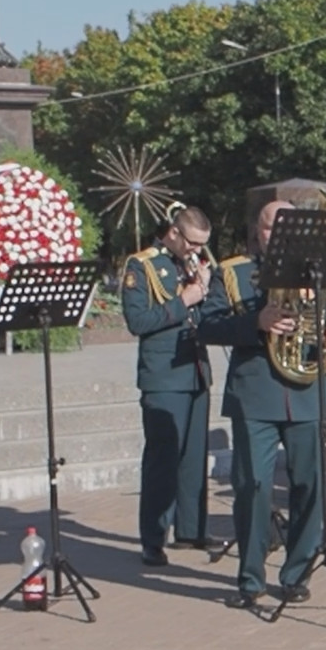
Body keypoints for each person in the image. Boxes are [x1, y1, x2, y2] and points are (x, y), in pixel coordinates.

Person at [199, 199, 326, 608]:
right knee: (253, 487)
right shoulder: (232, 273)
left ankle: (296, 573)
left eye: (288, 228)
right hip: (257, 396)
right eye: (271, 228)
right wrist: (256, 323)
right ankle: (250, 579)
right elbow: (206, 326)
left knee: (310, 485)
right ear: (257, 233)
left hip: (308, 394)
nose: (279, 236)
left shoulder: (319, 274)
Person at [121, 207, 218, 566]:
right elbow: (138, 321)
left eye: (203, 245)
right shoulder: (141, 265)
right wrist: (184, 301)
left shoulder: (192, 265)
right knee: (163, 458)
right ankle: (153, 537)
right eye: (193, 243)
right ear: (174, 233)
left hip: (195, 370)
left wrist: (207, 292)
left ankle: (191, 529)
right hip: (163, 374)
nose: (197, 251)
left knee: (194, 457)